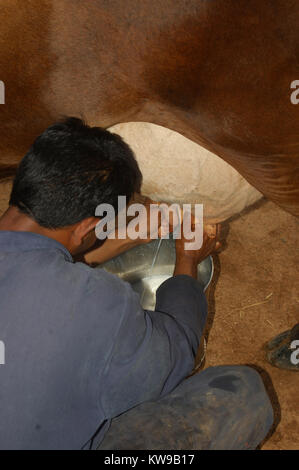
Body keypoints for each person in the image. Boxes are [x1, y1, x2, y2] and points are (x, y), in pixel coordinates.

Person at [0, 118, 273, 450]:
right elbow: (177, 349)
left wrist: (122, 241)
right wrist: (187, 259)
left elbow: (34, 262)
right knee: (241, 392)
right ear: (88, 229)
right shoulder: (96, 302)